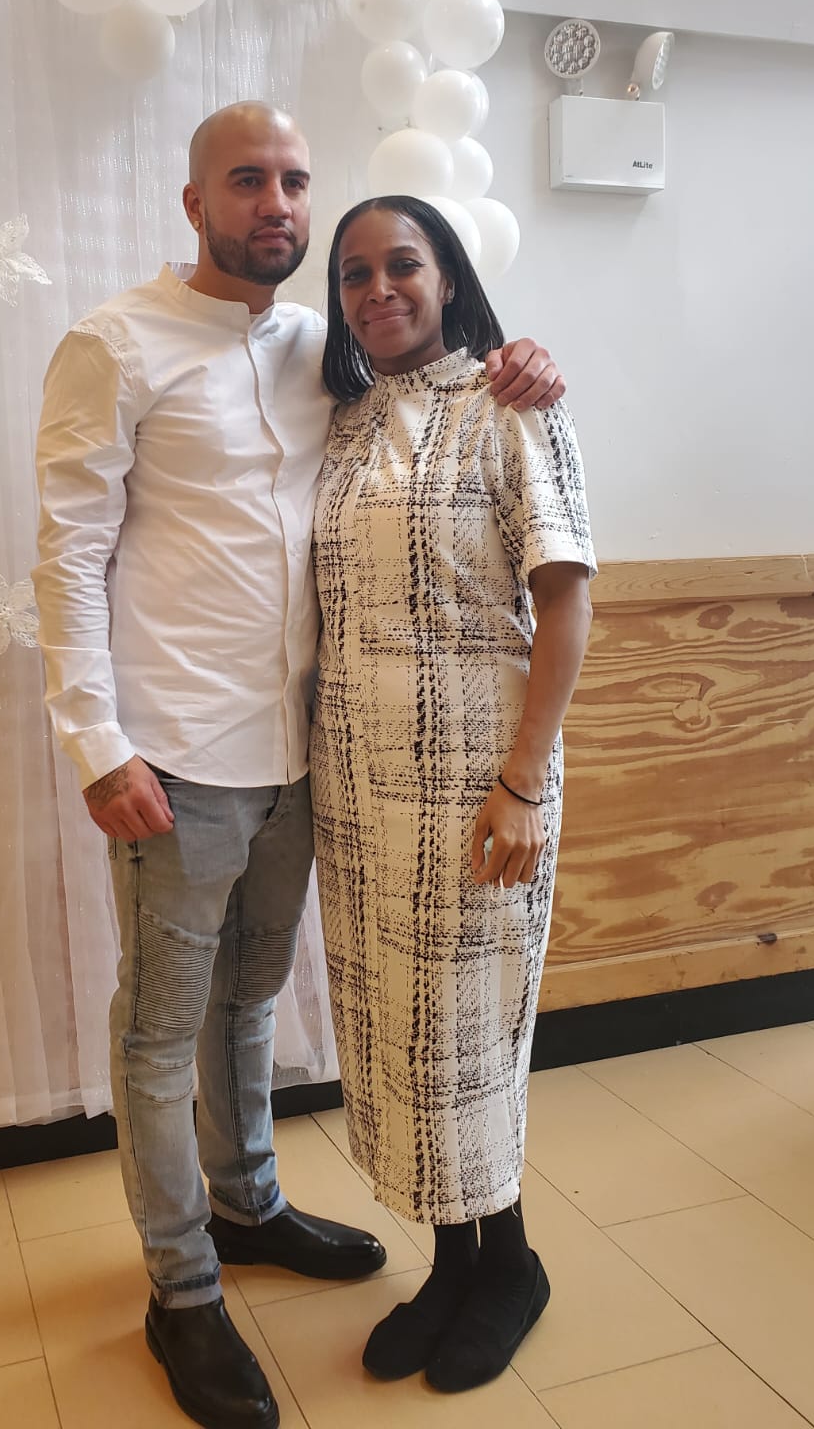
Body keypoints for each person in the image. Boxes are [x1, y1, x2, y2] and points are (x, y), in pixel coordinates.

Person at [33, 103, 565, 1429]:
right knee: (162, 1028)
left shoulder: (330, 360)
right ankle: (183, 1292)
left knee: (252, 1003)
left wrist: (527, 365)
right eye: (247, 181)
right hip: (173, 759)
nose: (276, 202)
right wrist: (95, 741)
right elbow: (65, 554)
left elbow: (470, 417)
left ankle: (251, 1204)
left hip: (309, 761)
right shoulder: (113, 343)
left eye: (293, 183)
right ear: (195, 200)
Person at [310, 194, 596, 1395]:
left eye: (404, 264)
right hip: (358, 785)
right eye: (357, 272)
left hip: (482, 780)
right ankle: (453, 1263)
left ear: (448, 278)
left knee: (473, 1031)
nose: (380, 287)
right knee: (406, 1039)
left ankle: (509, 1266)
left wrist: (524, 780)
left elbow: (568, 598)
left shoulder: (509, 406)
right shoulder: (341, 425)